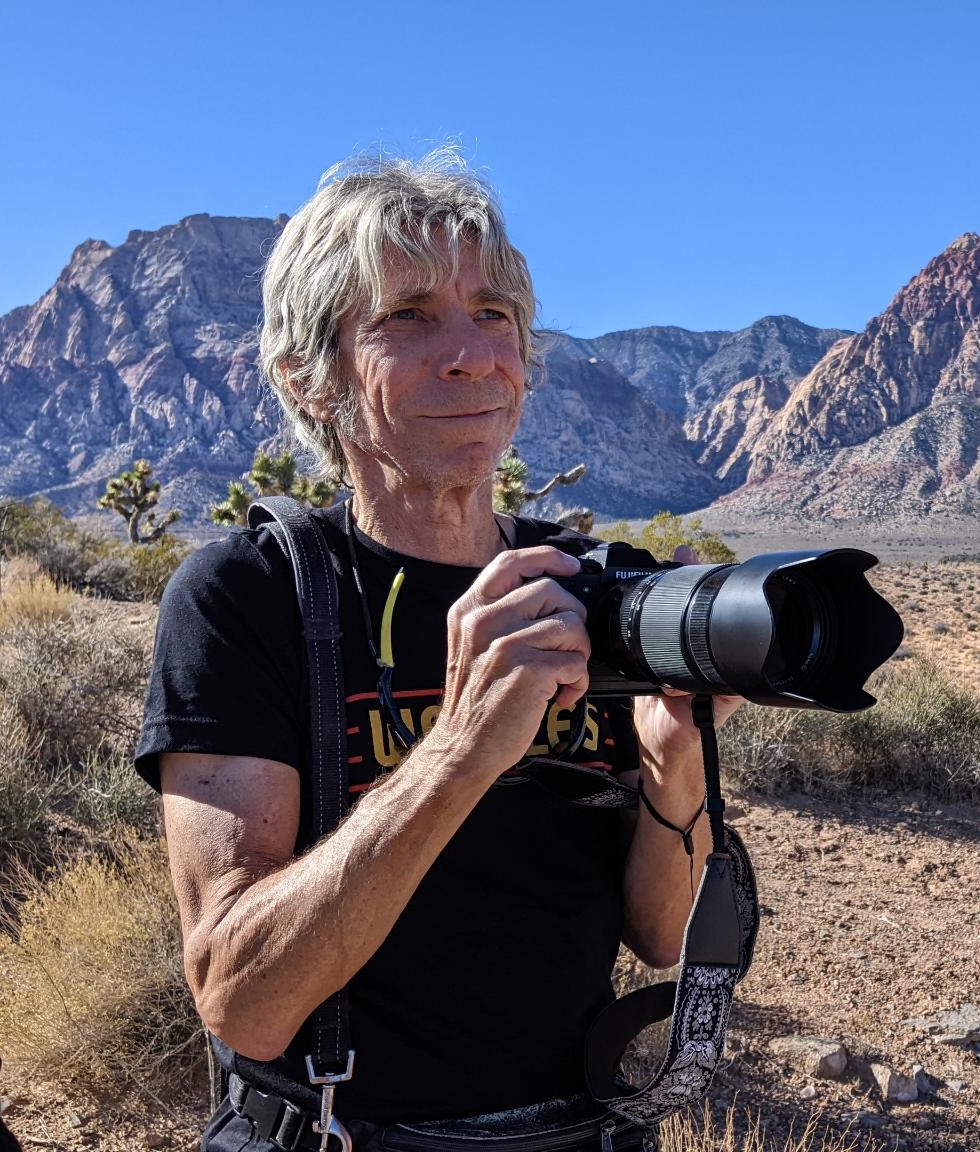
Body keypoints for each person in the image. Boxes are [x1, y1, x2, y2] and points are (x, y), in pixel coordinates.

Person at [135, 150, 743, 1150]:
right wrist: (459, 752)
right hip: (344, 1132)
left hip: (578, 1130)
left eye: (492, 314)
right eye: (408, 316)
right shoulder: (253, 598)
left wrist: (677, 763)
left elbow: (664, 935)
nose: (471, 354)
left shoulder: (601, 596)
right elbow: (241, 998)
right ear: (311, 377)